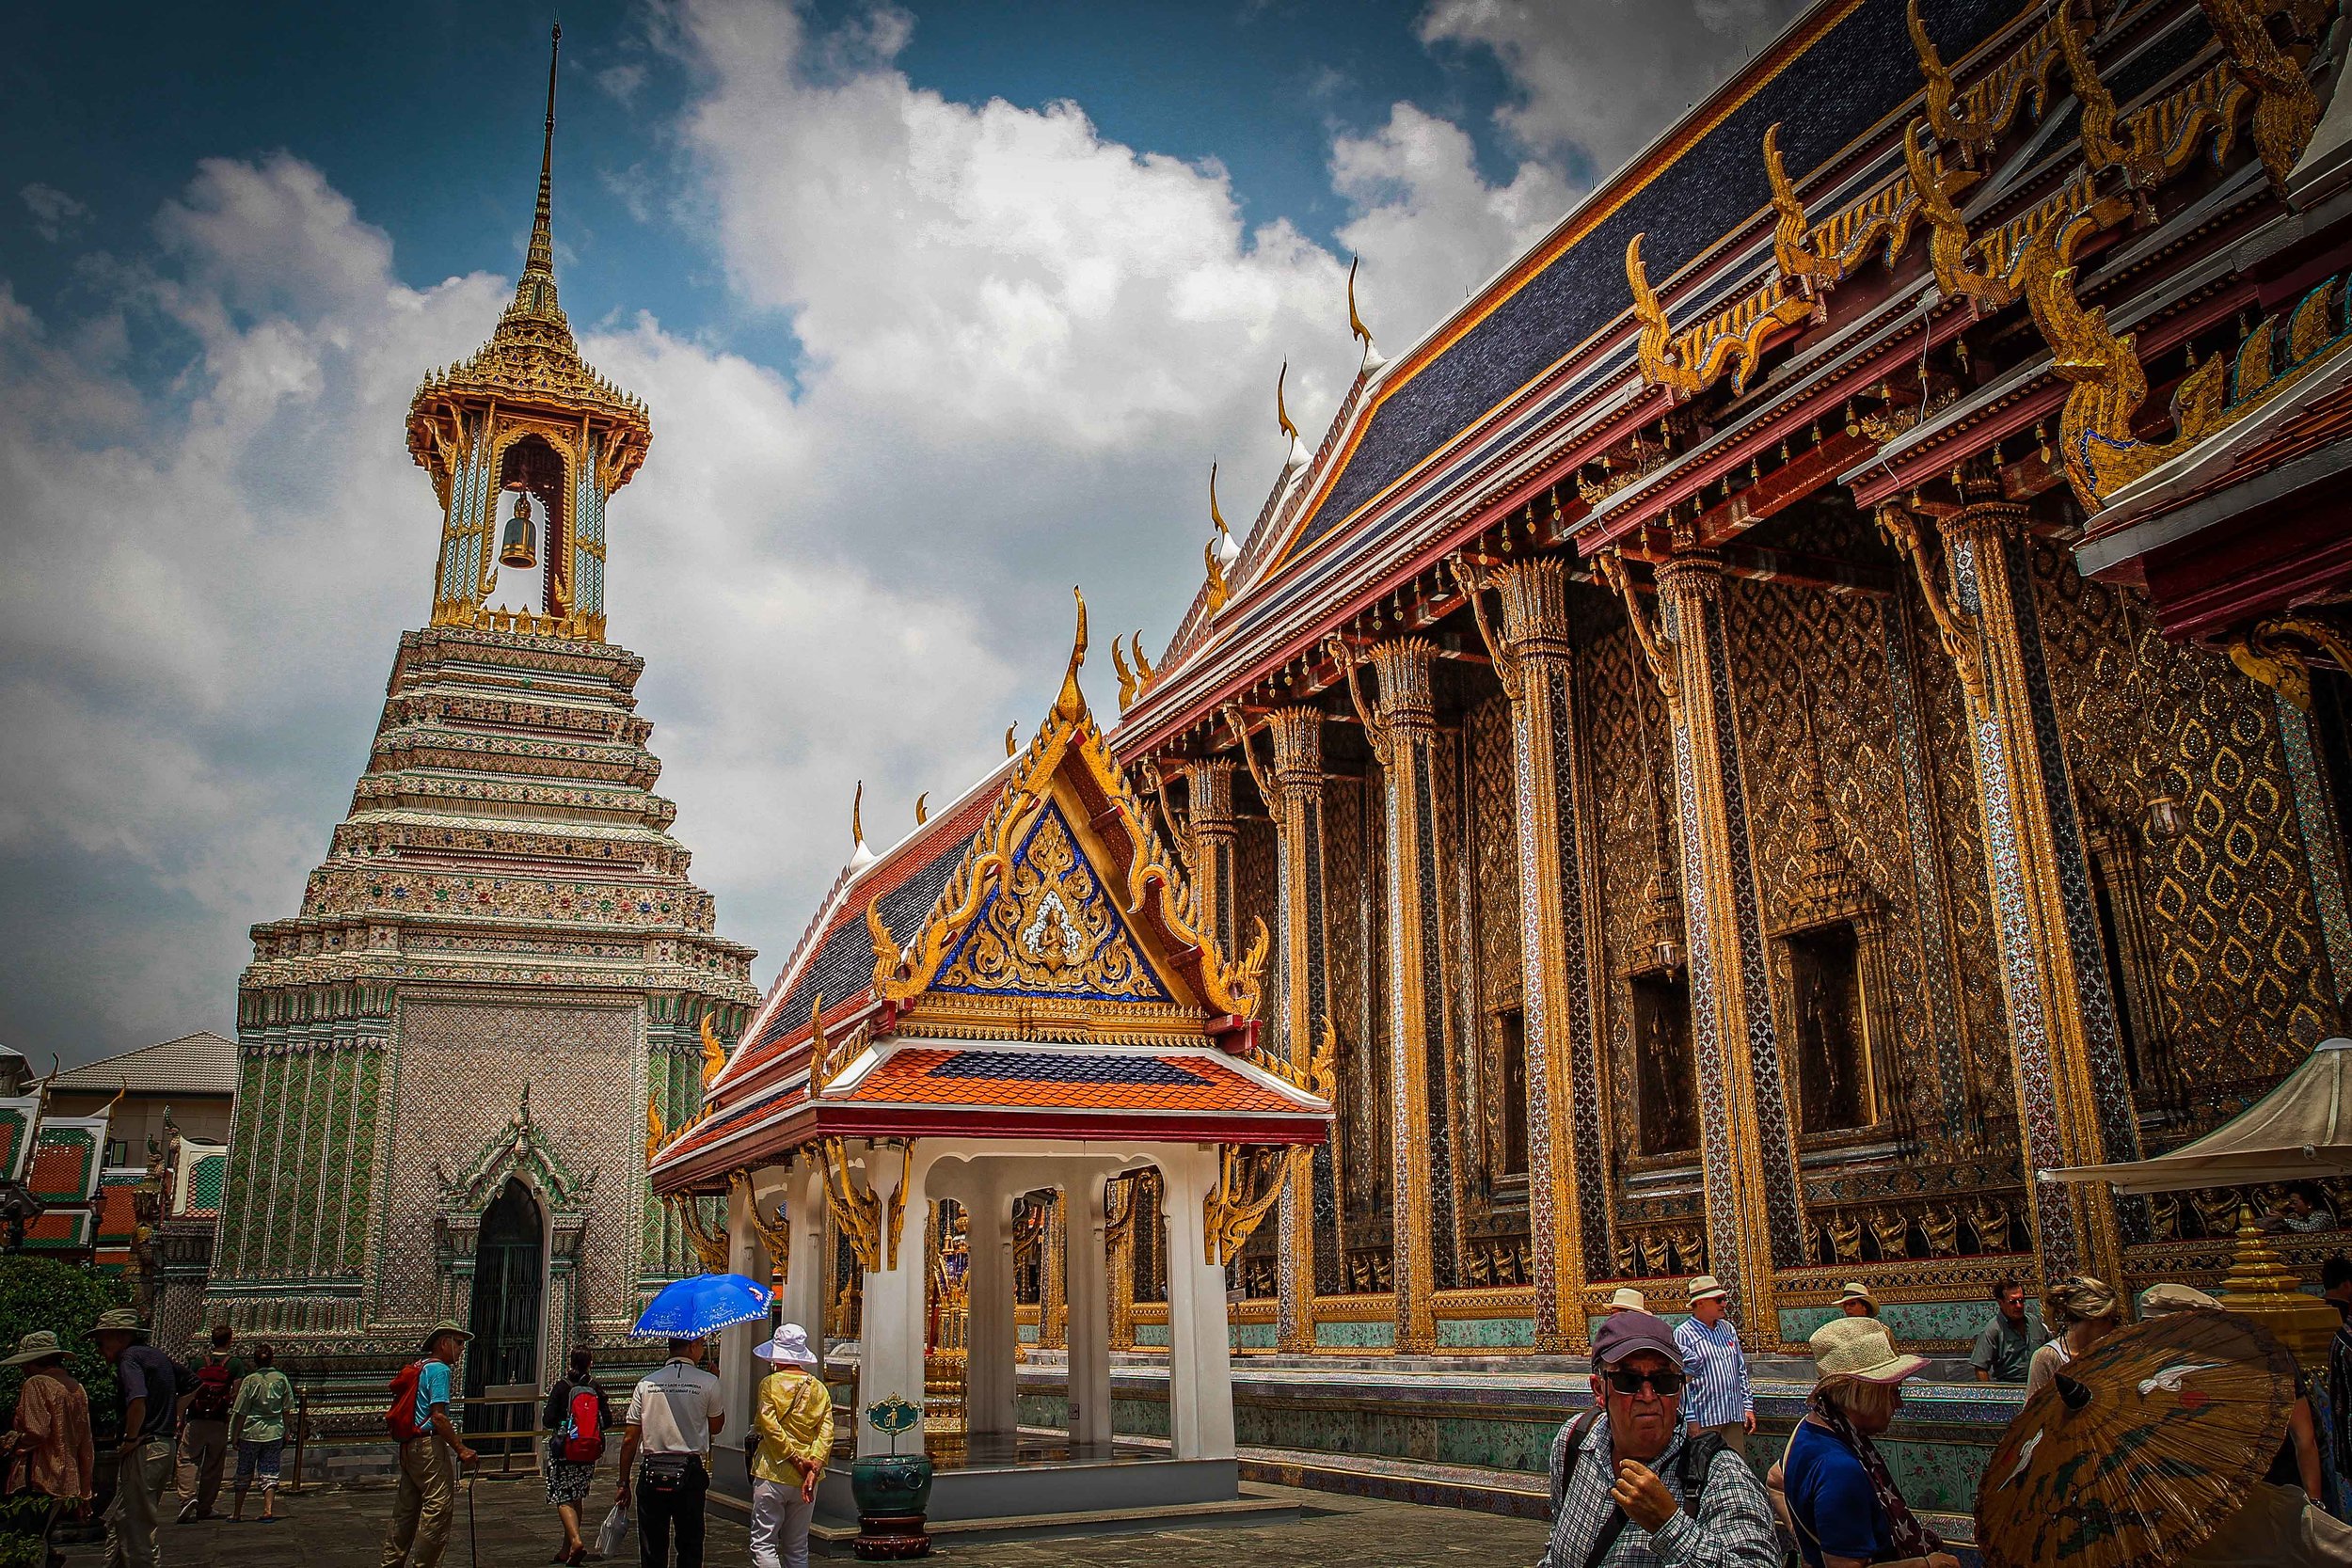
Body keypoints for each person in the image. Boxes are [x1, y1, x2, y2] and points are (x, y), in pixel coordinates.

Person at [1537, 1310, 1778, 1568]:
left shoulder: (1719, 1475)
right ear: (1599, 1389)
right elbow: (1558, 1546)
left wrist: (1669, 1525)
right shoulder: (1574, 1442)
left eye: (1664, 1381)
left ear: (1678, 1390)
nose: (1648, 1396)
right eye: (1628, 1381)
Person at [1780, 1319, 1958, 1568]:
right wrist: (1928, 1565)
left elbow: (1775, 1478)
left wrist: (1810, 1541)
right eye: (1893, 1392)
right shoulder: (1840, 1469)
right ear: (1863, 1394)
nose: (1899, 1404)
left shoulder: (1810, 1428)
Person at [615, 1338, 723, 1568]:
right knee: (690, 1545)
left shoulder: (646, 1384)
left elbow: (629, 1439)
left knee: (652, 1548)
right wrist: (715, 1380)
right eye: (702, 1344)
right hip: (690, 1472)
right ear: (692, 1346)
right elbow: (716, 1427)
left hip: (653, 1471)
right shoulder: (707, 1382)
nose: (703, 1350)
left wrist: (623, 1482)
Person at [380, 1322, 478, 1568]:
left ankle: (390, 1563)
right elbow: (439, 1416)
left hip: (409, 1447)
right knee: (438, 1508)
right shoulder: (440, 1371)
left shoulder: (420, 1366)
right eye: (458, 1343)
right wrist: (460, 1448)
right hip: (427, 1447)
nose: (461, 1349)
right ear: (444, 1343)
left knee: (405, 1511)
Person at [90, 1309, 180, 1568]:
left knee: (136, 1523)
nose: (100, 1351)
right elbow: (192, 1383)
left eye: (101, 1343)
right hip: (162, 1443)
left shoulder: (129, 1358)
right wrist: (172, 1417)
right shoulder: (155, 1355)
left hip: (146, 1445)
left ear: (118, 1337)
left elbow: (137, 1400)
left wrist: (131, 1438)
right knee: (124, 1515)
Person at [3, 1331, 94, 1568]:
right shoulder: (75, 1387)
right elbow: (85, 1442)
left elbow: (37, 1432)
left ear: (33, 1362)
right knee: (41, 1538)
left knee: (25, 1543)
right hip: (65, 1478)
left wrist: (12, 1441)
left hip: (39, 1477)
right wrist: (85, 1489)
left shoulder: (36, 1383)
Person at [749, 1324, 833, 1568]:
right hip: (806, 1479)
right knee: (797, 1546)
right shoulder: (819, 1388)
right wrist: (813, 1466)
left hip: (772, 1470)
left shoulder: (770, 1384)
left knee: (764, 1542)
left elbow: (769, 1427)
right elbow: (826, 1431)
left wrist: (795, 1460)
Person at [1673, 1276, 1755, 1457]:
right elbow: (1681, 1382)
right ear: (1701, 1303)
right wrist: (1690, 1419)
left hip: (1732, 1414)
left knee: (1736, 1468)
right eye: (1719, 1300)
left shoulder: (1727, 1329)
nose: (1724, 1304)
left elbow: (1740, 1370)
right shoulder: (1683, 1334)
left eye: (1724, 1299)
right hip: (1705, 1419)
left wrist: (1747, 1407)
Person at [543, 1349, 609, 1565]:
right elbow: (607, 1420)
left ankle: (576, 1540)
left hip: (565, 1450)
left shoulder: (562, 1386)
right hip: (588, 1451)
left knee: (562, 1497)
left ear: (570, 1362)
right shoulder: (595, 1387)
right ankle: (567, 1549)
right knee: (577, 1496)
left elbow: (548, 1419)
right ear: (590, 1362)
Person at [175, 1323, 244, 1523]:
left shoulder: (198, 1363)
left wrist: (180, 1416)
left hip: (196, 1418)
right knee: (213, 1465)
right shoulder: (235, 1364)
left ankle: (187, 1497)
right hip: (218, 1420)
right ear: (229, 1340)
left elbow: (188, 1389)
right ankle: (205, 1506)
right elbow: (236, 1392)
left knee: (187, 1458)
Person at [227, 1344, 294, 1524]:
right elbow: (287, 1408)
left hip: (251, 1432)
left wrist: (234, 1434)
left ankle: (237, 1512)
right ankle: (268, 1509)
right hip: (274, 1430)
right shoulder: (281, 1379)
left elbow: (240, 1410)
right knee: (270, 1470)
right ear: (272, 1359)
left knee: (244, 1471)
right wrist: (287, 1430)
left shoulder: (250, 1380)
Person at [2025, 1275, 2121, 1401]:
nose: (2114, 1327)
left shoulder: (2108, 1351)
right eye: (2112, 1319)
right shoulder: (2048, 1357)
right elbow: (2033, 1412)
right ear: (2092, 1319)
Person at [1970, 1278, 2044, 1384]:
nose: (2019, 1306)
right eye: (2013, 1302)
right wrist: (1989, 1392)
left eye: (2021, 1300)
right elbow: (1980, 1368)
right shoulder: (1993, 1330)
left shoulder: (2034, 1322)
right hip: (2012, 1386)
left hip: (2039, 1383)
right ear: (2001, 1303)